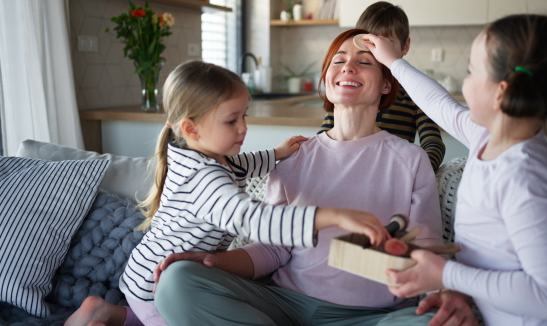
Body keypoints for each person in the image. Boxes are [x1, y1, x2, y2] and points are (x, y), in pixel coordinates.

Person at [152, 29, 477, 325]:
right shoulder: (295, 156)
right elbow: (272, 250)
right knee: (176, 281)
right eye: (339, 60)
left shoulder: (410, 159)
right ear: (326, 78)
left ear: (387, 83)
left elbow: (429, 246)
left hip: (374, 317)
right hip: (284, 306)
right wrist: (213, 261)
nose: (348, 67)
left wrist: (448, 291)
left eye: (365, 61)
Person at [65, 60, 391, 326]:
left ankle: (102, 312)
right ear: (191, 128)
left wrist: (276, 154)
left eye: (244, 116)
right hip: (156, 282)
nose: (243, 128)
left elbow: (241, 165)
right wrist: (330, 215)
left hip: (146, 275)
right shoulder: (203, 180)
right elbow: (251, 219)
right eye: (231, 120)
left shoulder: (202, 156)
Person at [363, 14, 547, 325]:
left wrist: (447, 273)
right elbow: (439, 104)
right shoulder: (489, 137)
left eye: (471, 72)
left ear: (500, 93)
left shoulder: (523, 178)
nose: (464, 82)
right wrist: (393, 61)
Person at [318, 1, 445, 171]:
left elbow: (433, 143)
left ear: (405, 46)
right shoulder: (349, 93)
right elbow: (325, 141)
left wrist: (414, 172)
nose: (376, 51)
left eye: (384, 44)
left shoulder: (416, 92)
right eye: (367, 43)